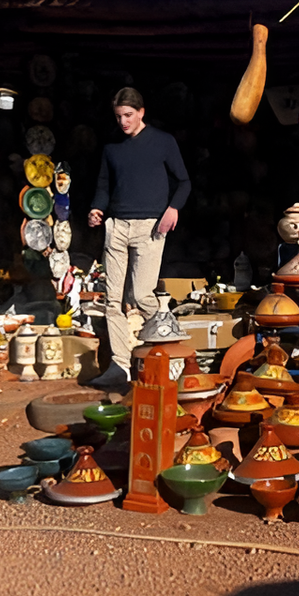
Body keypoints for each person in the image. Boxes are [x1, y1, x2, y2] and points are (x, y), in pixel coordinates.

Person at [86, 86, 191, 391]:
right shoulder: (112, 148)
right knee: (113, 301)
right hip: (116, 227)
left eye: (129, 115)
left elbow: (183, 181)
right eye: (119, 116)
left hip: (150, 226)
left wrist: (173, 209)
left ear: (142, 112)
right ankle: (120, 366)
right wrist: (97, 208)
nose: (123, 121)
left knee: (143, 295)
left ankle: (171, 355)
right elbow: (104, 184)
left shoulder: (162, 142)